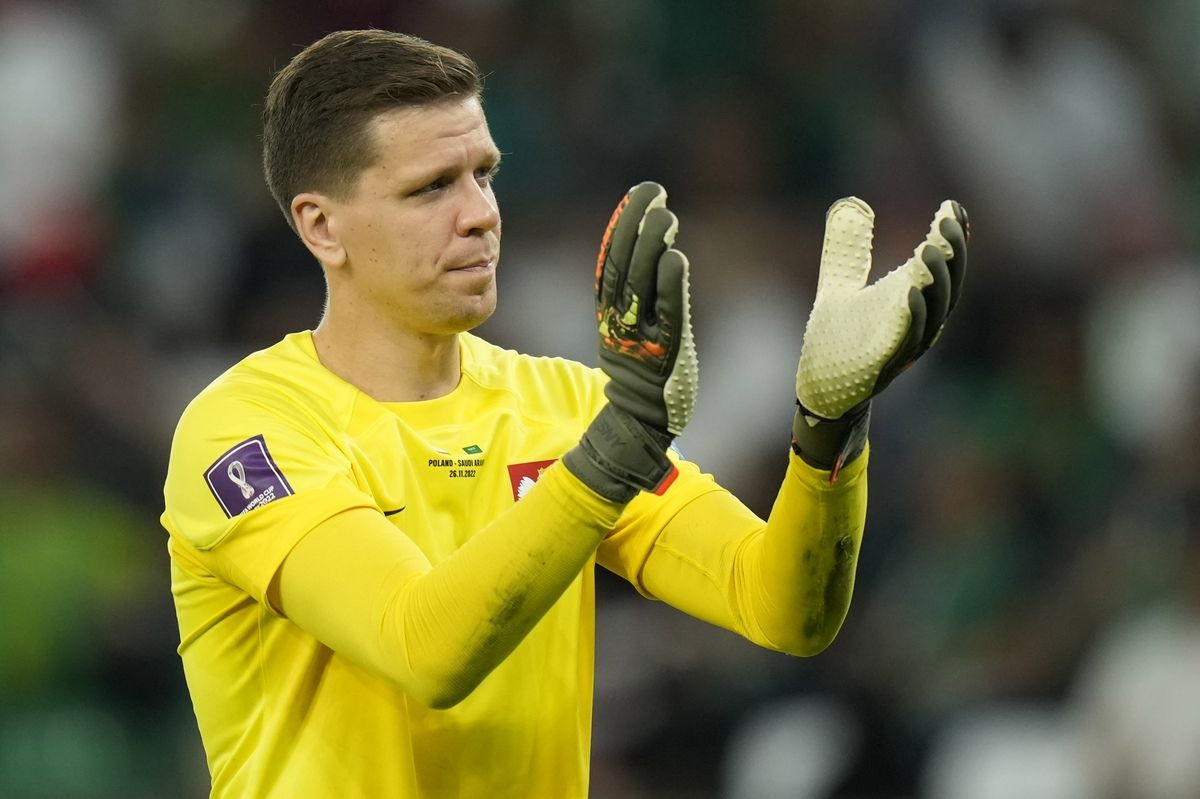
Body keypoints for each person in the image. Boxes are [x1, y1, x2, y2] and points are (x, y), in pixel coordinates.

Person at [160, 29, 968, 799]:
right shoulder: (247, 432)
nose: (480, 214)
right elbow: (423, 646)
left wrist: (828, 429)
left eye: (484, 174)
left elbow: (781, 605)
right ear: (321, 225)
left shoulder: (565, 407)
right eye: (431, 187)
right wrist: (606, 459)